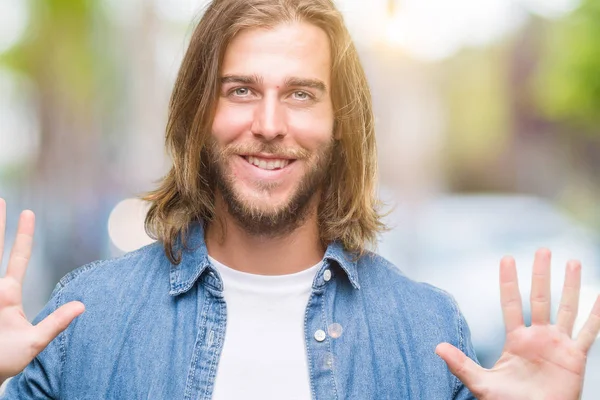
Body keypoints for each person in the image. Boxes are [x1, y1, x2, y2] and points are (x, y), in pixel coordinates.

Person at [1, 0, 599, 398]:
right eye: (240, 90)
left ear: (342, 124)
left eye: (301, 95)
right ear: (196, 113)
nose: (268, 123)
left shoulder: (426, 332)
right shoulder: (87, 318)